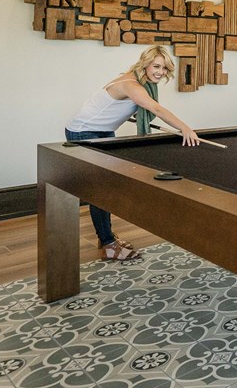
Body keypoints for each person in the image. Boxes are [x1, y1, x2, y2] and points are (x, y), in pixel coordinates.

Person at [65, 45, 199, 261]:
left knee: (106, 184)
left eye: (164, 68)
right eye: (156, 66)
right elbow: (156, 109)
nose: (160, 72)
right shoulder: (131, 84)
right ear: (144, 63)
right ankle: (108, 244)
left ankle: (106, 236)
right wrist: (185, 128)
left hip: (102, 130)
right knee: (100, 187)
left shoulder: (139, 82)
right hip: (84, 132)